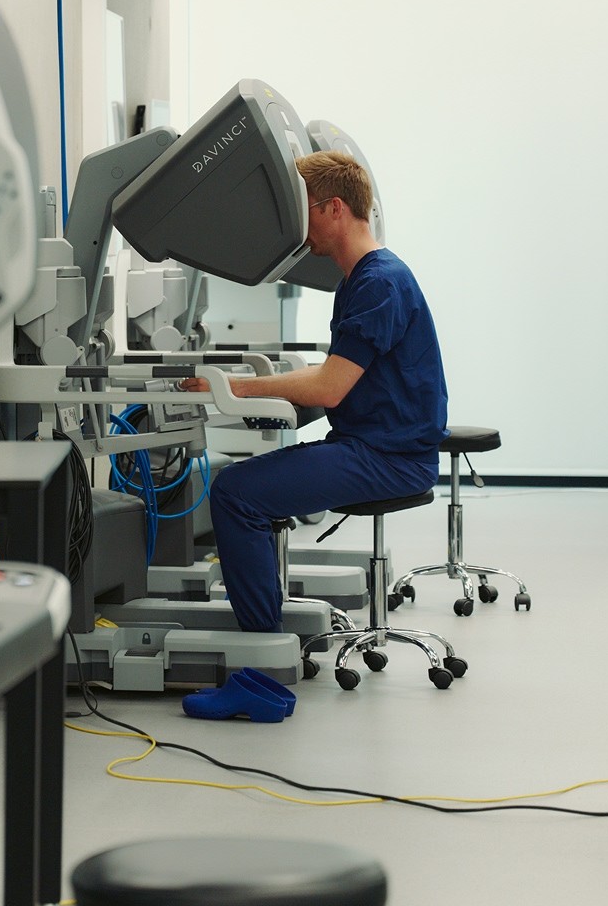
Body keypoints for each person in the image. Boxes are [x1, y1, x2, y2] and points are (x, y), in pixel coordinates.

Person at [178, 149, 447, 633]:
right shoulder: (362, 279)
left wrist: (238, 386)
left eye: (304, 212)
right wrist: (266, 390)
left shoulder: (378, 283)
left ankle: (263, 654)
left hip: (389, 458)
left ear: (335, 208)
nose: (299, 228)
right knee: (245, 485)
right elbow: (342, 377)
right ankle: (265, 625)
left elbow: (330, 388)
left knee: (235, 493)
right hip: (380, 447)